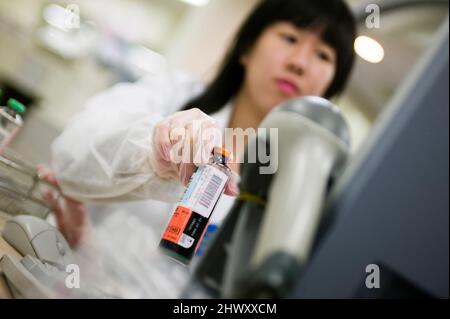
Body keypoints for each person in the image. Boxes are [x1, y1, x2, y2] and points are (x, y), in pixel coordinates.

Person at [39, 0, 356, 298]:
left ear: (330, 89)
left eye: (323, 55)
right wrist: (153, 155)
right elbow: (72, 150)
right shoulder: (173, 95)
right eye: (289, 38)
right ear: (247, 48)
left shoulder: (304, 190)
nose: (299, 63)